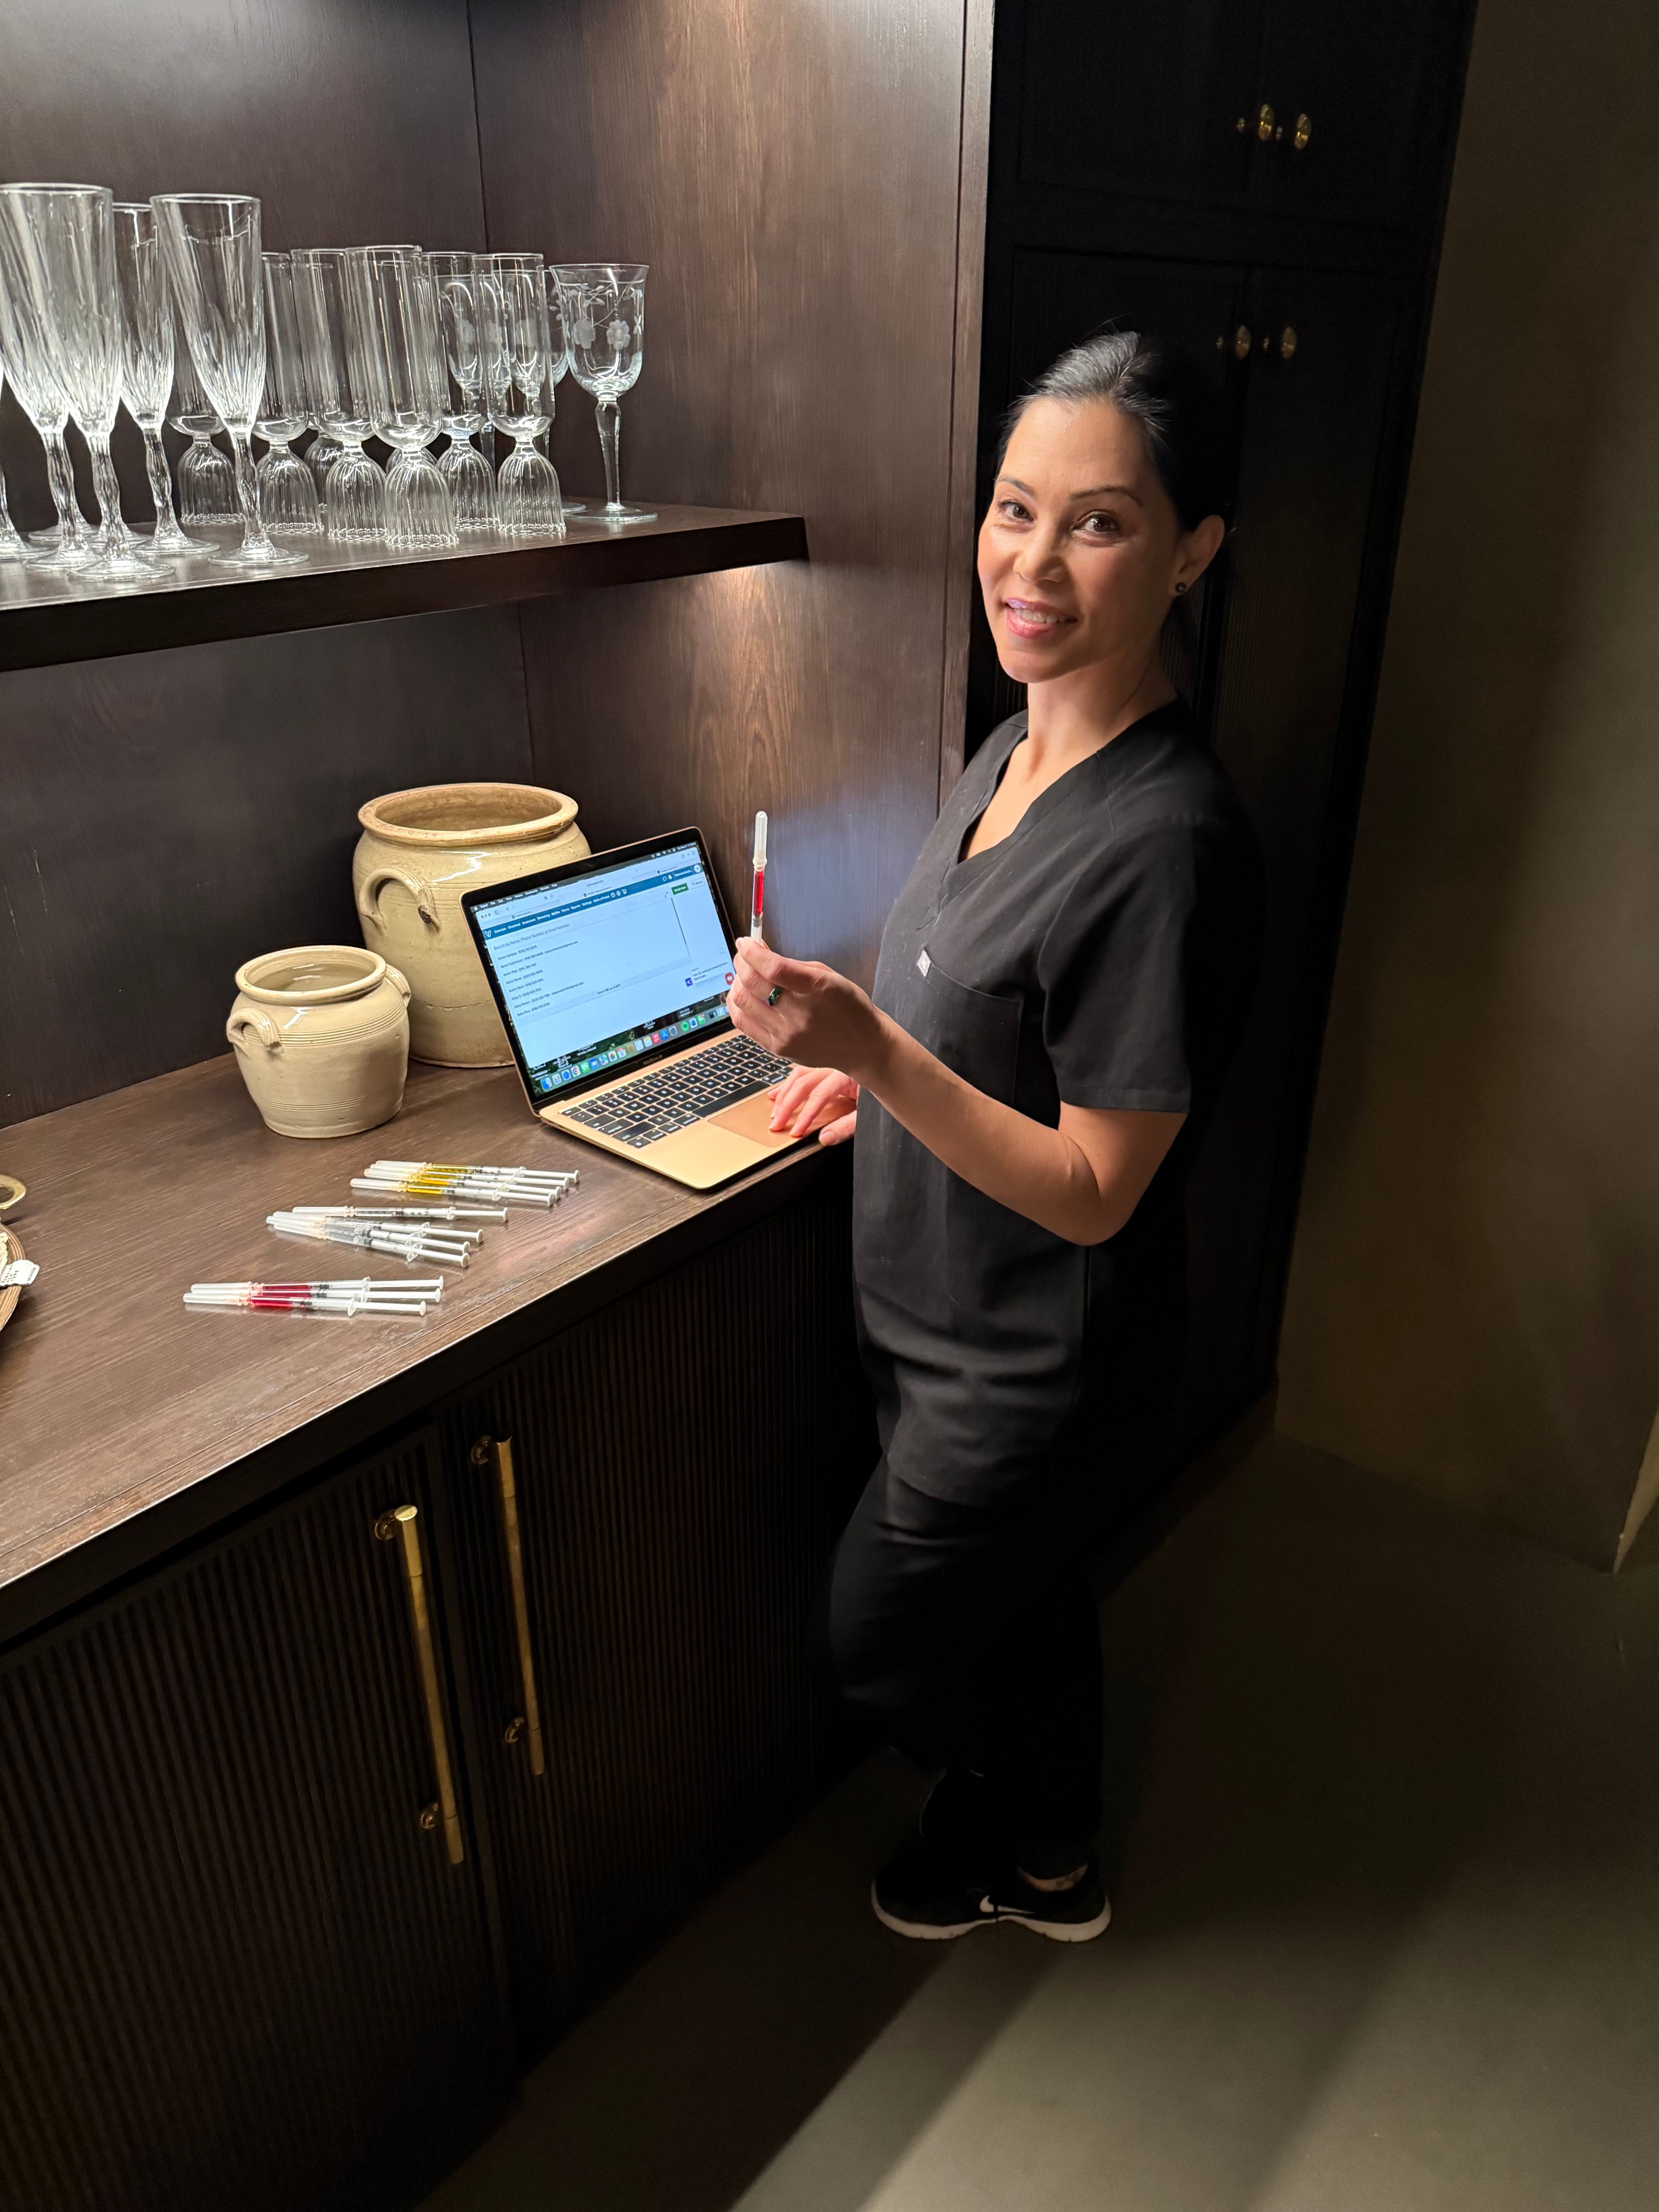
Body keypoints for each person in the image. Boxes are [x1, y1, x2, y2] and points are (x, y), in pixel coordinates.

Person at [725, 330, 1264, 1942]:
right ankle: (1056, 1856)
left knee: (875, 1639)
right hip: (935, 1315)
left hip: (1034, 1364)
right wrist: (858, 1070)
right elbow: (981, 1018)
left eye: (1097, 521)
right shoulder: (1015, 740)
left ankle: (1006, 1803)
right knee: (1028, 1603)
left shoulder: (1163, 844)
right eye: (1015, 507)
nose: (1031, 561)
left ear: (1193, 552)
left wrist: (877, 1051)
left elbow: (1099, 1191)